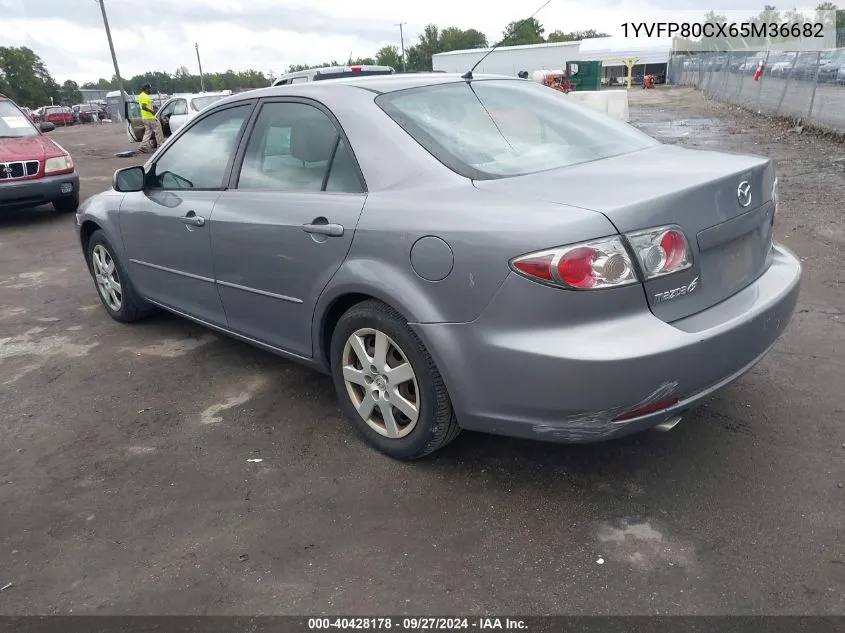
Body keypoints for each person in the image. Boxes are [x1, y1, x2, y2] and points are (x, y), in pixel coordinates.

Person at [138, 83, 163, 153]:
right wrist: (151, 111)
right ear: (146, 89)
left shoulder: (140, 96)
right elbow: (143, 106)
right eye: (149, 89)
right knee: (158, 130)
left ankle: (143, 146)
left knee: (148, 132)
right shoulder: (145, 96)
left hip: (144, 117)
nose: (150, 90)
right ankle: (160, 147)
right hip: (150, 117)